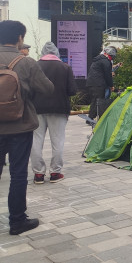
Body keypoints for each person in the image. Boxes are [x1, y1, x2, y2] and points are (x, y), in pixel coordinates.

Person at [0, 20, 54, 235]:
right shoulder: (26, 62)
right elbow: (47, 89)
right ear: (19, 38)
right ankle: (17, 221)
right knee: (18, 174)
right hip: (19, 126)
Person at [31, 42, 77, 184]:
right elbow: (72, 91)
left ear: (43, 53)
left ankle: (38, 174)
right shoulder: (65, 67)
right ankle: (55, 172)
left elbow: (29, 89)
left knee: (36, 141)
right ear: (57, 53)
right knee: (57, 141)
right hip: (59, 109)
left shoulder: (34, 66)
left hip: (37, 108)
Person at [85, 46, 117, 120]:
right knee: (98, 102)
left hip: (91, 83)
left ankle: (91, 118)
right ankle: (90, 118)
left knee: (94, 101)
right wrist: (111, 85)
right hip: (99, 84)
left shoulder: (98, 59)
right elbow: (108, 75)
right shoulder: (106, 61)